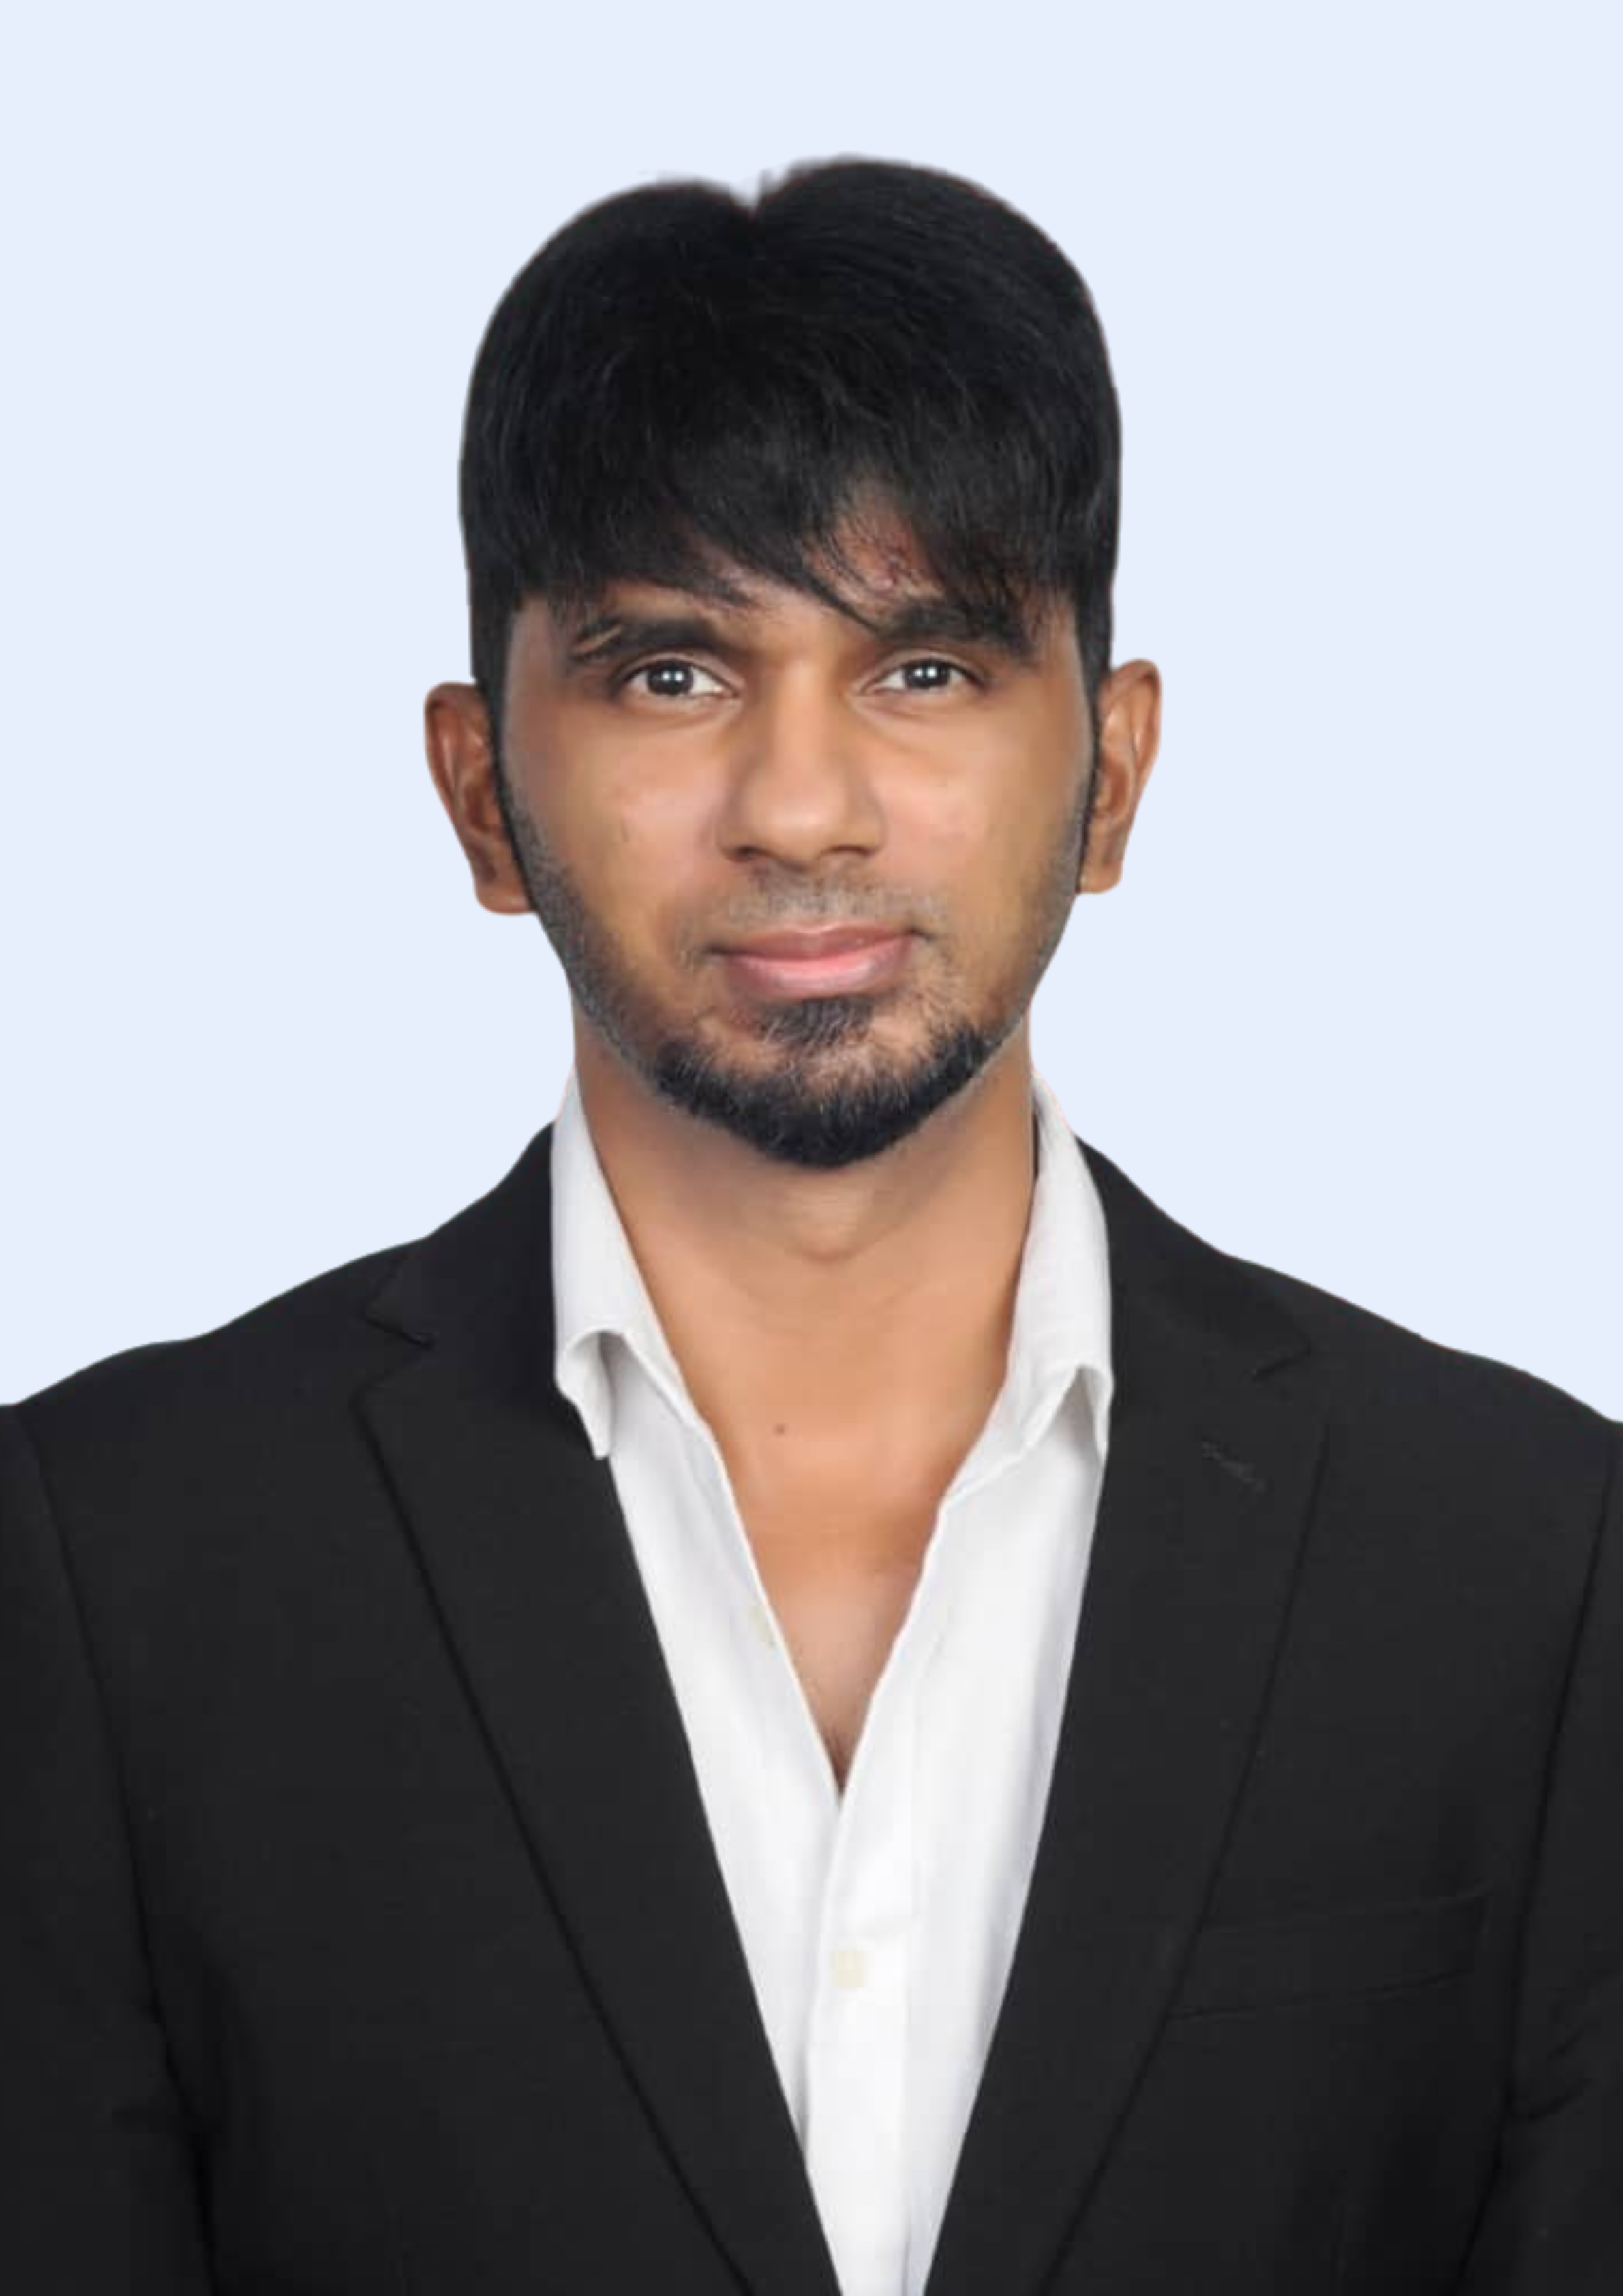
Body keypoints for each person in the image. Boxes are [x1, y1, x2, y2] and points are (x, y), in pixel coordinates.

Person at [1, 157, 1618, 2296]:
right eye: (672, 675)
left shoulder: (1536, 1564)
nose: (801, 806)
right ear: (481, 793)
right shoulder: (105, 1567)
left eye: (925, 668)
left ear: (1114, 773)